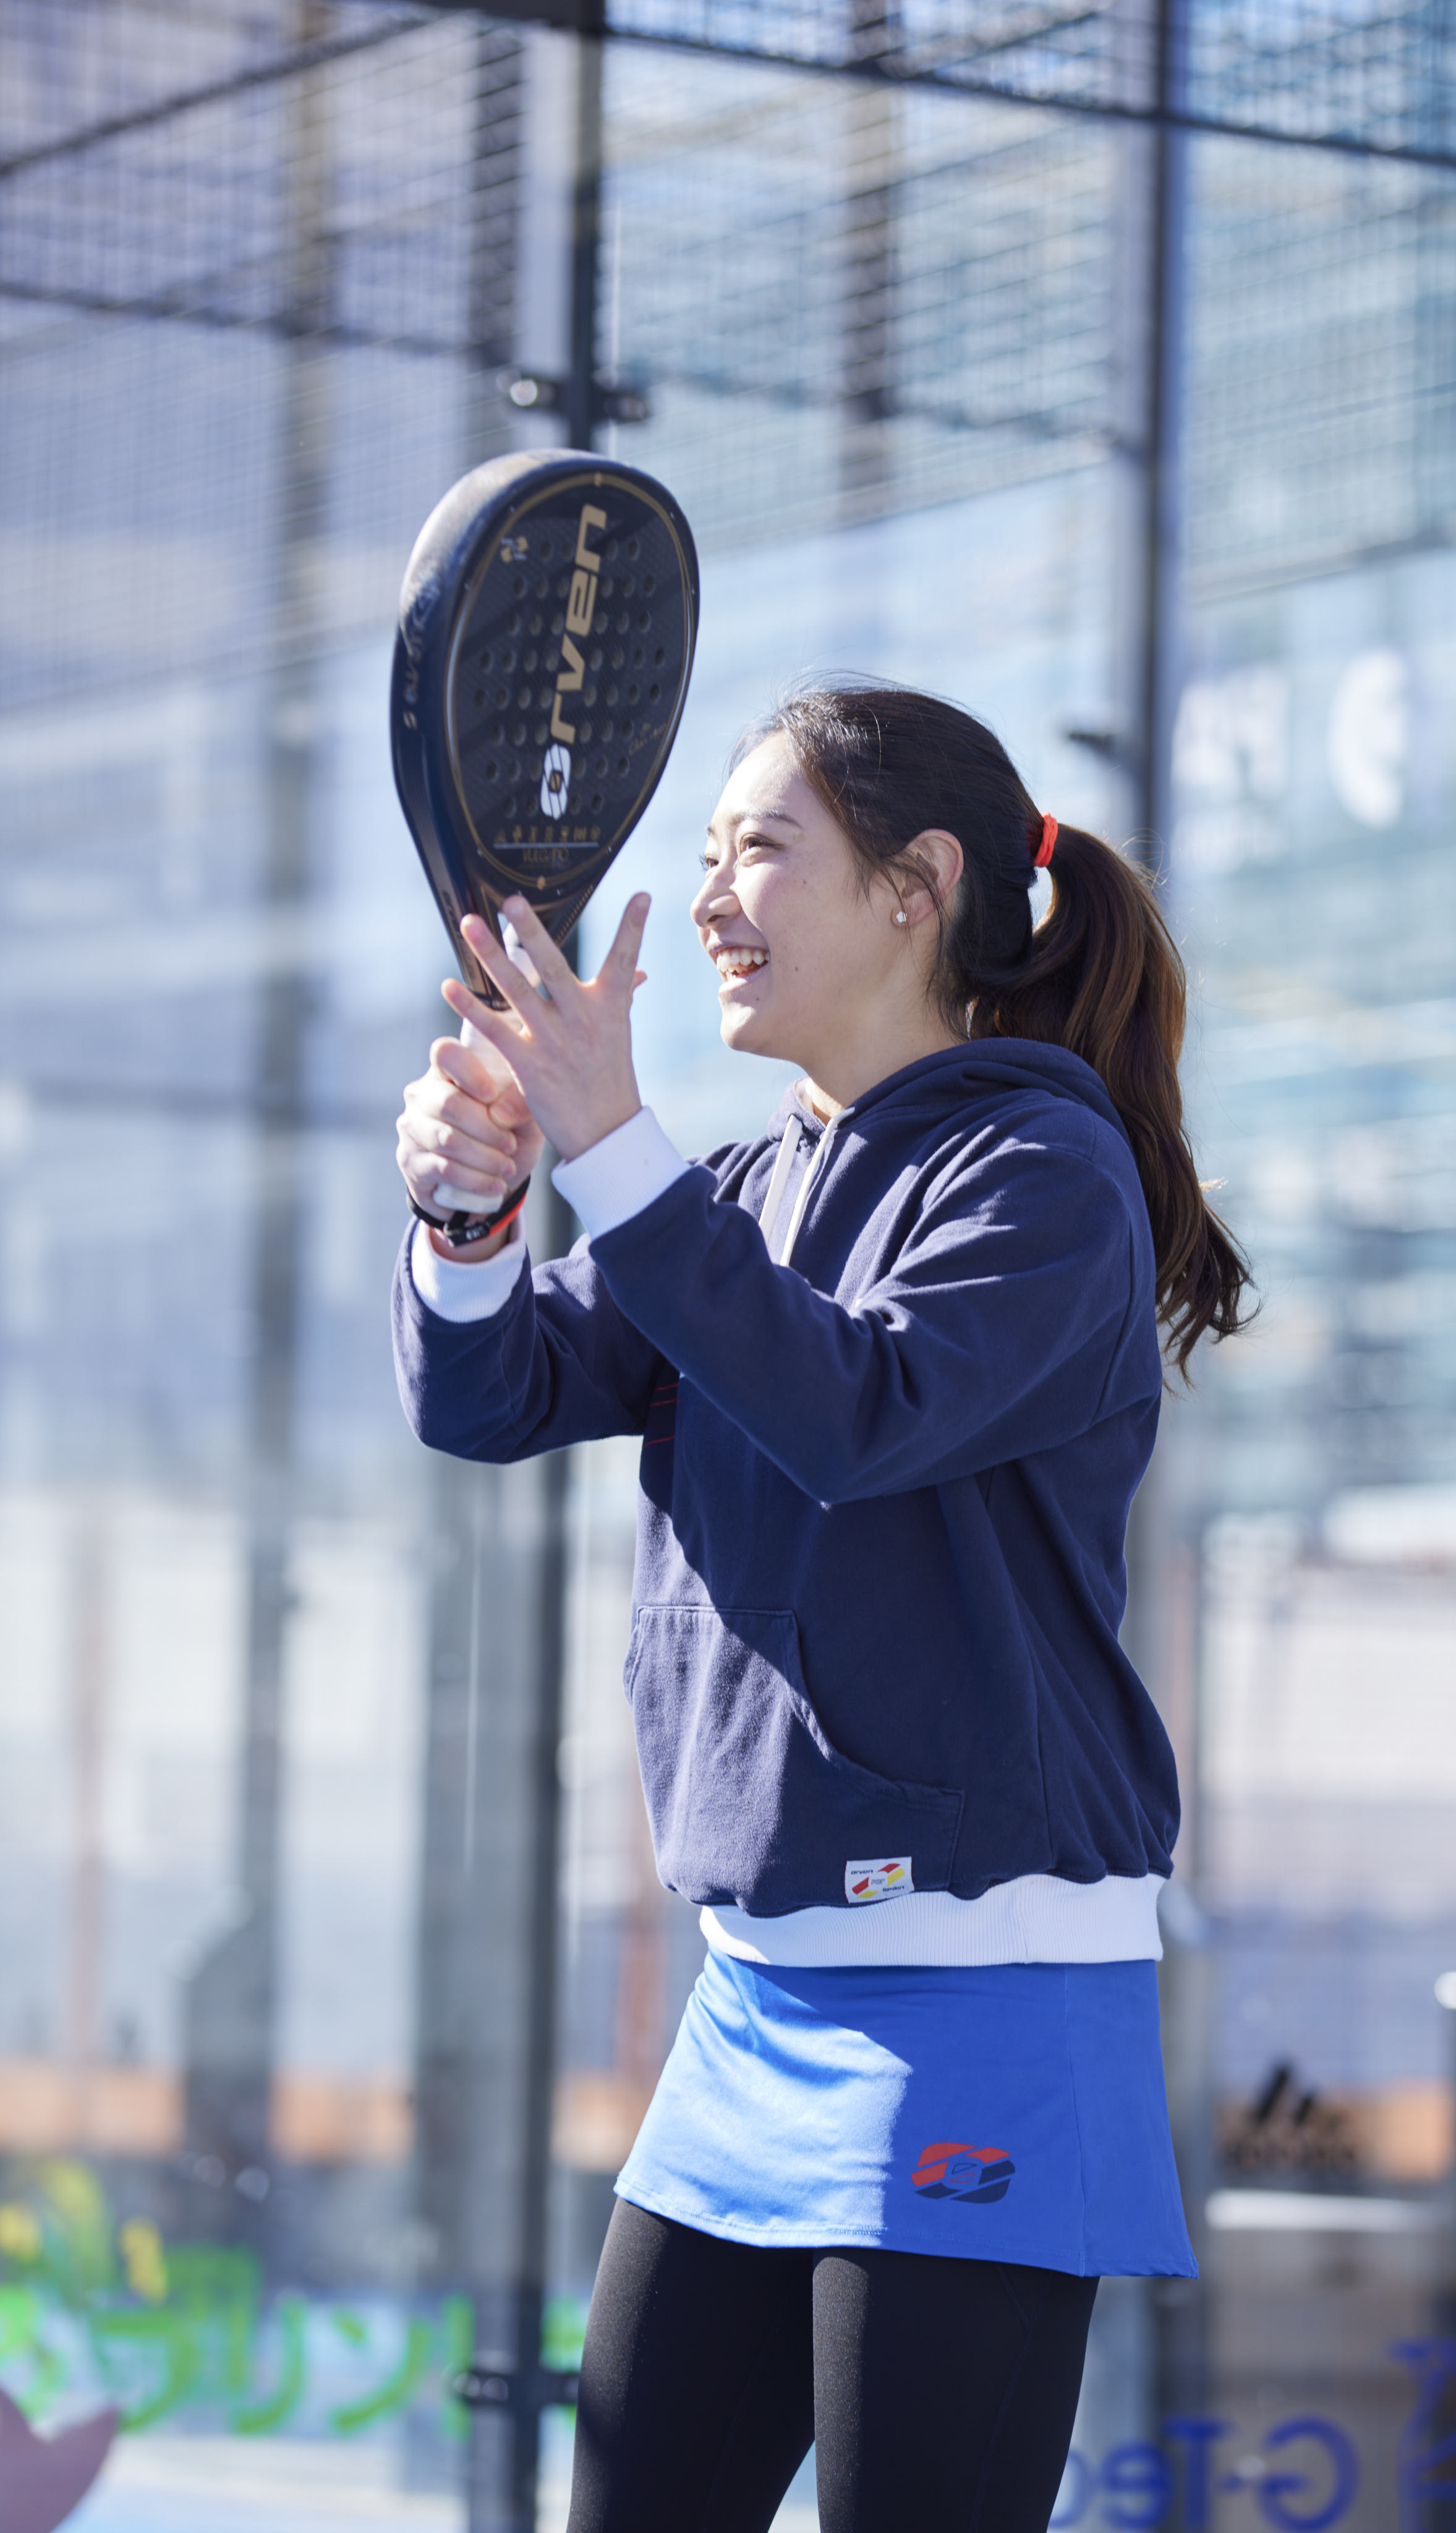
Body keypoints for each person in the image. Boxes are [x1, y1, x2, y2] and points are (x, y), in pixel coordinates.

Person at [391, 685, 1250, 2533]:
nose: (708, 895)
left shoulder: (1044, 1172)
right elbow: (492, 1400)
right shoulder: (734, 1187)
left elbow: (856, 1410)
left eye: (758, 846)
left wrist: (607, 1149)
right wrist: (473, 1222)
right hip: (754, 2016)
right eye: (701, 856)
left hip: (990, 2007)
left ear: (914, 888)